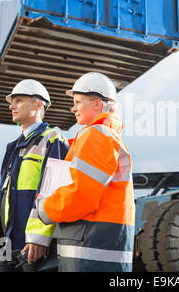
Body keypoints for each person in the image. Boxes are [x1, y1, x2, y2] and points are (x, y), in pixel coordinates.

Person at [36, 72, 135, 272]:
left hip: (89, 250)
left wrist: (45, 208)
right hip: (99, 248)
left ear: (97, 104)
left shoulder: (96, 135)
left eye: (78, 102)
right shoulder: (108, 136)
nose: (73, 108)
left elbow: (82, 195)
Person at [0, 79, 69, 272]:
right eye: (12, 101)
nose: (11, 106)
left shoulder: (53, 140)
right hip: (5, 240)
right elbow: (6, 190)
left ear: (38, 104)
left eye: (19, 100)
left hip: (32, 244)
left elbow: (54, 192)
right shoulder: (12, 146)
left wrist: (40, 238)